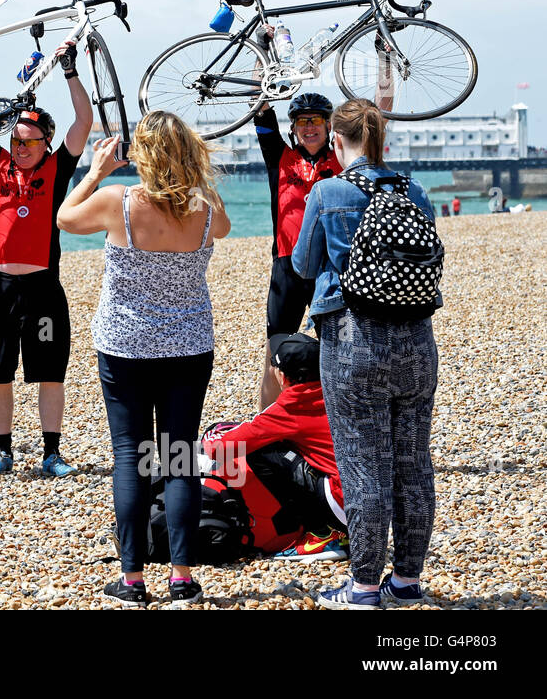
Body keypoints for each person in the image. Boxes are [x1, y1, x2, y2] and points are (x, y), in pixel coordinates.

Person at [57, 112, 231, 606]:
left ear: (143, 153)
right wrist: (195, 178)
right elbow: (224, 227)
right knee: (179, 457)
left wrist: (94, 171)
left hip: (126, 347)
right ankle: (181, 577)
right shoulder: (202, 206)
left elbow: (65, 219)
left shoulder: (119, 202)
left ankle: (132, 580)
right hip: (187, 346)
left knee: (130, 456)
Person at [292, 98, 439, 609]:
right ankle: (408, 581)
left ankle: (363, 586)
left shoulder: (328, 191)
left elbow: (305, 265)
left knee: (362, 464)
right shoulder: (414, 190)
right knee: (413, 462)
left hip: (354, 340)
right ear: (381, 139)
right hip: (418, 339)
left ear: (337, 139)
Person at [0, 40, 92, 478]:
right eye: (16, 140)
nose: (20, 148)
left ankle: (51, 453)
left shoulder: (57, 169)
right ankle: (3, 451)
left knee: (49, 371)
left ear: (45, 142)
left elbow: (83, 121)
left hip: (42, 287)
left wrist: (70, 70)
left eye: (29, 142)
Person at [201, 333, 348, 560]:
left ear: (282, 377)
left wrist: (212, 432)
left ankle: (323, 533)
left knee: (264, 449)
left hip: (341, 505)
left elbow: (220, 447)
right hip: (376, 501)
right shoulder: (339, 392)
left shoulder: (293, 404)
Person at [252, 93, 341, 410]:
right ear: (292, 128)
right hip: (287, 267)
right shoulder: (280, 156)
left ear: (329, 125)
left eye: (316, 119)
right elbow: (259, 105)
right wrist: (260, 46)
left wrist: (386, 61)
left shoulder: (343, 159)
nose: (309, 127)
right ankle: (268, 424)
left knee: (337, 348)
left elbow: (376, 117)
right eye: (302, 121)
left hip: (330, 268)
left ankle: (333, 423)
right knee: (274, 349)